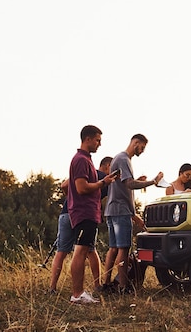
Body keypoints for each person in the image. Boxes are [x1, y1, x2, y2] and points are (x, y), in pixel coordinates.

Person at [102, 133, 163, 294]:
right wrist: (152, 181)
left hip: (112, 209)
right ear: (135, 143)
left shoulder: (118, 158)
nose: (142, 151)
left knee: (113, 248)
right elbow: (130, 184)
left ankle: (106, 283)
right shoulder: (124, 159)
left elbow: (124, 185)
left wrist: (139, 180)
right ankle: (123, 287)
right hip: (121, 210)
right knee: (123, 248)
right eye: (142, 147)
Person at [67, 125, 118, 304]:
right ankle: (77, 294)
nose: (100, 144)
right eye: (98, 140)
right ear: (87, 139)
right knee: (80, 251)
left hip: (89, 212)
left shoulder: (85, 159)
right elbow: (81, 187)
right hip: (83, 212)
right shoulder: (80, 160)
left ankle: (79, 293)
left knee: (84, 250)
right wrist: (102, 182)